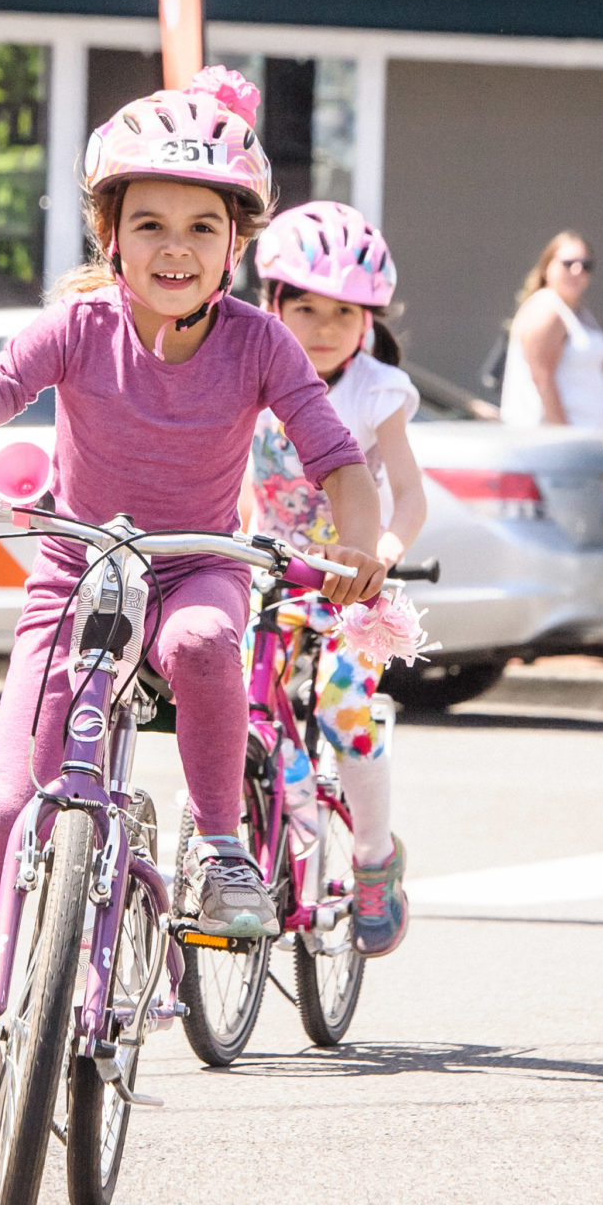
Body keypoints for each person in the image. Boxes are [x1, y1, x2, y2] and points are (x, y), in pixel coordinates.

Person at [0, 68, 386, 1149]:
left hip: (194, 563)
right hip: (74, 573)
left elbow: (339, 459)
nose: (173, 245)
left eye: (202, 225)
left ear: (235, 244)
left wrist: (357, 541)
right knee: (5, 809)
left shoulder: (258, 341)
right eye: (146, 220)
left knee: (206, 637)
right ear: (108, 231)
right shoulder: (77, 327)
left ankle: (218, 846)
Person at [246, 200, 427, 956]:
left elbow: (411, 494)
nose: (323, 327)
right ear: (271, 305)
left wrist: (384, 548)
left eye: (343, 312)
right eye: (306, 307)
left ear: (369, 321)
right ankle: (272, 822)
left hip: (351, 583)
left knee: (345, 710)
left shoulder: (373, 391)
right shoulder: (245, 372)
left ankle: (373, 858)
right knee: (243, 704)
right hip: (266, 575)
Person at [498, 230, 603, 429]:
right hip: (551, 447)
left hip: (587, 440)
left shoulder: (578, 312)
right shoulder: (547, 309)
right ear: (547, 267)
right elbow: (542, 380)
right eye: (568, 263)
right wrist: (565, 438)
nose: (577, 271)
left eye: (586, 266)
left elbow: (579, 374)